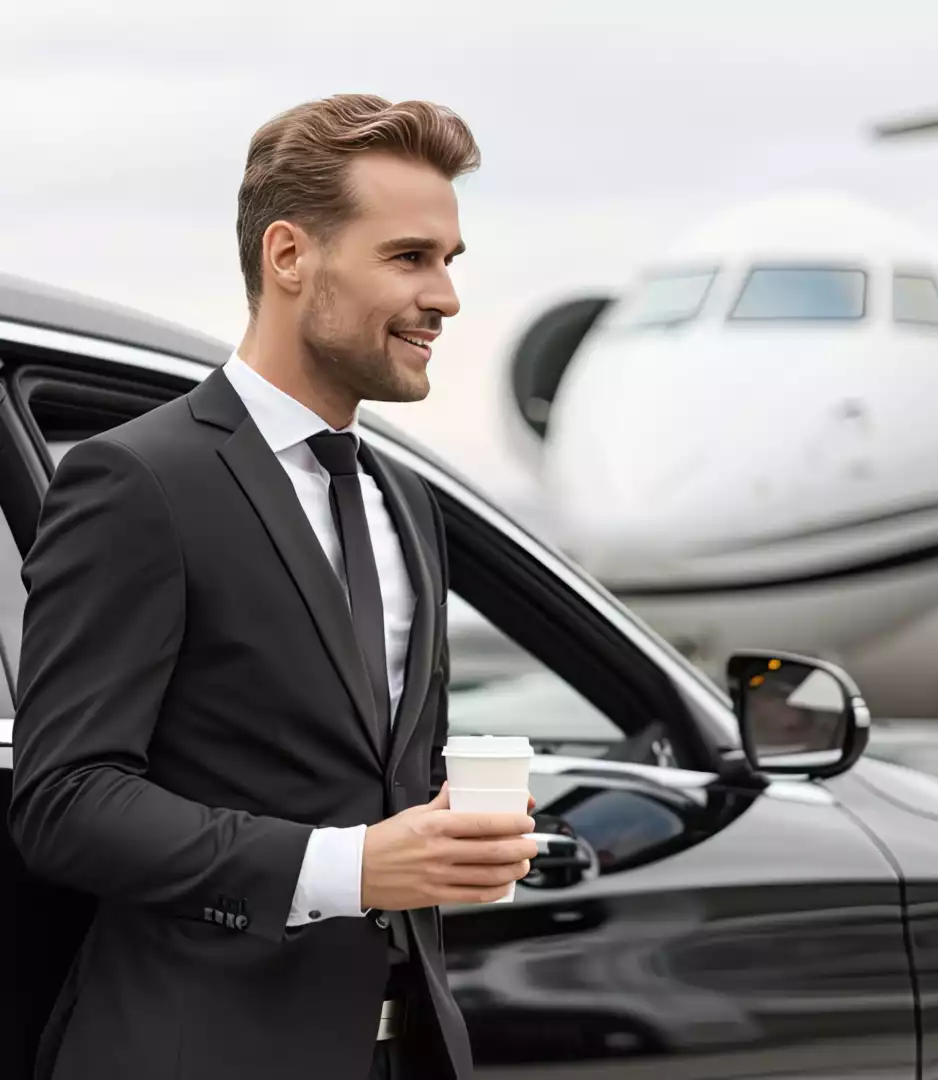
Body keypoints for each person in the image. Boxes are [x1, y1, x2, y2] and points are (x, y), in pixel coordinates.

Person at [8, 93, 538, 1080]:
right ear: (289, 257)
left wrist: (446, 824)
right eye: (410, 258)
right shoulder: (138, 482)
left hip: (407, 1048)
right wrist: (346, 865)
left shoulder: (407, 502)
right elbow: (66, 800)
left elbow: (378, 777)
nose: (448, 298)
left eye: (449, 264)